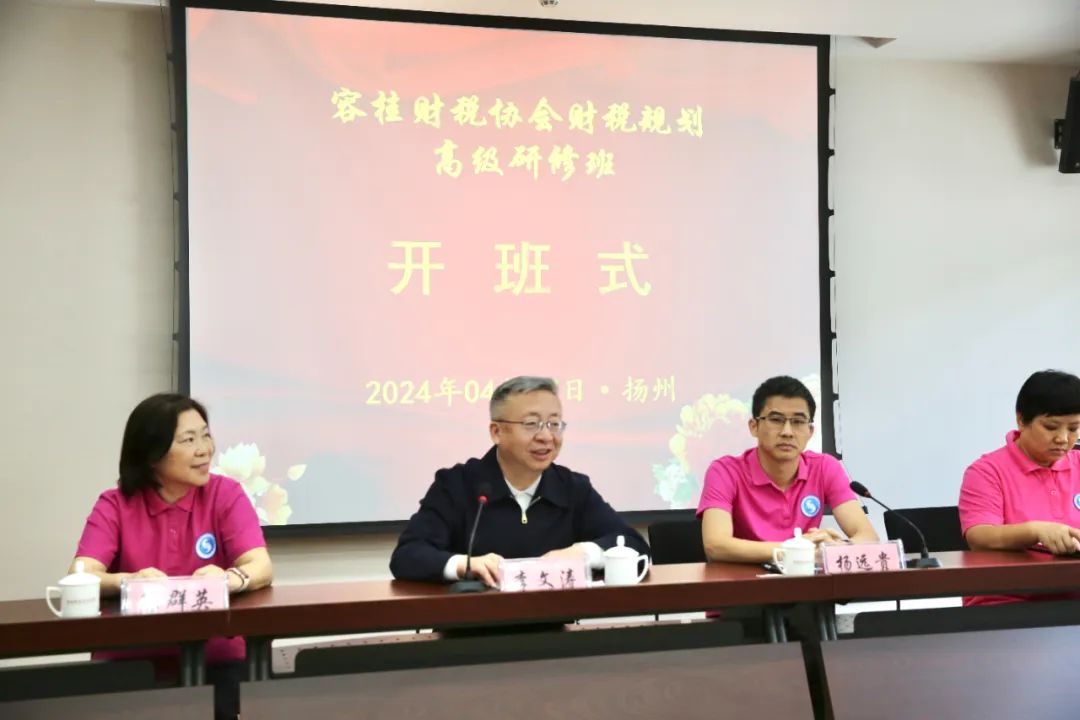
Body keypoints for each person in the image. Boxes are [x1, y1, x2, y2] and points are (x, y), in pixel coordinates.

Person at [72, 393, 272, 720]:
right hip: (131, 660)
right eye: (188, 440)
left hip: (218, 658)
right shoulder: (115, 504)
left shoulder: (225, 494)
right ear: (152, 454)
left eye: (205, 436)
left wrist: (230, 579)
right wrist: (130, 581)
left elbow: (260, 565)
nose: (204, 449)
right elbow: (81, 575)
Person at [390, 376, 649, 587]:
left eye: (554, 424)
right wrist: (464, 565)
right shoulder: (457, 485)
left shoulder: (571, 488)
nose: (546, 436)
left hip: (554, 630)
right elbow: (407, 555)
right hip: (470, 629)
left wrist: (583, 552)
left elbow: (632, 544)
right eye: (531, 424)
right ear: (497, 432)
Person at [698, 375, 878, 564]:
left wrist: (833, 548)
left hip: (805, 579)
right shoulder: (725, 471)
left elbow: (868, 537)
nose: (787, 432)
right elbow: (715, 545)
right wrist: (796, 549)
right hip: (744, 580)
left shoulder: (825, 467)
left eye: (798, 422)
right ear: (754, 426)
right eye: (776, 420)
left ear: (810, 431)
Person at [959, 369, 1080, 605]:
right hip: (1006, 602)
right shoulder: (986, 472)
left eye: (1073, 429)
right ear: (1021, 420)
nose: (1063, 439)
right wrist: (1036, 531)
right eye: (1051, 427)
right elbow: (980, 536)